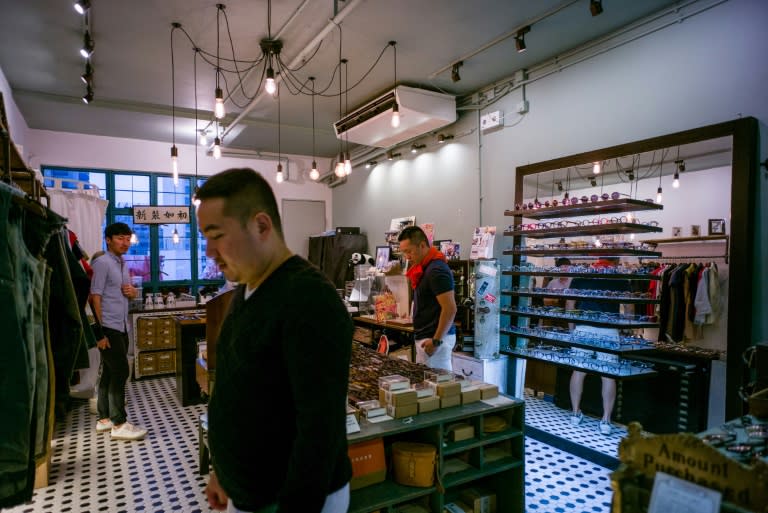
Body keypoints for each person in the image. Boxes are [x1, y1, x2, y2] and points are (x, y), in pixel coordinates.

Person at [196, 168, 353, 513]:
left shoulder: (310, 299)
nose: (209, 251)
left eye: (216, 235)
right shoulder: (248, 289)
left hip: (290, 500)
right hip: (249, 490)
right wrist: (222, 472)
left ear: (261, 226)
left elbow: (320, 431)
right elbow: (236, 390)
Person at [89, 222, 146, 441]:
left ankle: (104, 419)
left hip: (121, 324)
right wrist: (100, 332)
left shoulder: (121, 263)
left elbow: (125, 292)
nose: (125, 242)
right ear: (108, 239)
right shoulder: (102, 262)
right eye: (120, 238)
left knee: (110, 372)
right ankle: (119, 423)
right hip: (108, 327)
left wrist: (132, 292)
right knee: (121, 372)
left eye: (127, 238)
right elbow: (95, 297)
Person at [566, 257, 631, 435]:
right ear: (616, 261)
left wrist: (572, 328)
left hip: (583, 327)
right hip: (609, 330)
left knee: (578, 371)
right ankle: (605, 421)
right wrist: (625, 328)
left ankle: (574, 414)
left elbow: (570, 303)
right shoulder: (620, 279)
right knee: (608, 375)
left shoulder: (581, 276)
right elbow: (629, 306)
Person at [398, 226, 457, 370]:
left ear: (422, 245)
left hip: (435, 339)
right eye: (404, 252)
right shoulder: (424, 267)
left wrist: (436, 341)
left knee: (440, 388)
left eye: (409, 251)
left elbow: (450, 309)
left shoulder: (436, 270)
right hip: (427, 337)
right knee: (428, 387)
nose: (407, 257)